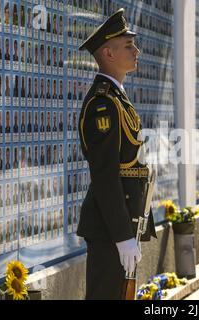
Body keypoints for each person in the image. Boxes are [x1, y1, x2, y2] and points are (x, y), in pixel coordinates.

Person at [77, 8, 156, 300]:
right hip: (110, 227)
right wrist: (122, 236)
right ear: (108, 54)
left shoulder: (117, 97)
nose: (136, 50)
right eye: (128, 45)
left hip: (122, 222)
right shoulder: (103, 103)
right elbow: (105, 175)